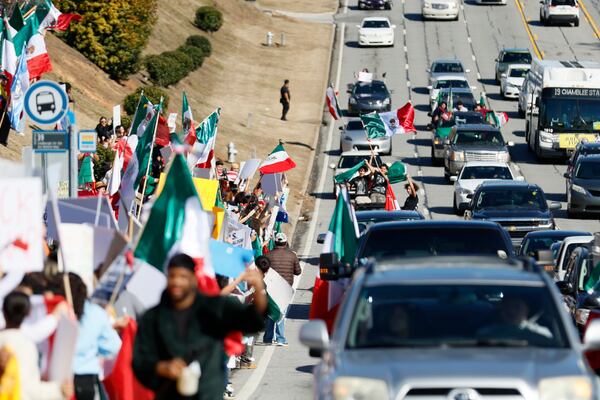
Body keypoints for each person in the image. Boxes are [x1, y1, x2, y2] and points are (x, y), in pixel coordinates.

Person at [133, 253, 266, 400]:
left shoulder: (214, 307)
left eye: (183, 277)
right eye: (172, 276)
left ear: (194, 279)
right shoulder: (152, 317)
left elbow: (252, 321)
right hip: (170, 393)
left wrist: (258, 289)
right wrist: (162, 368)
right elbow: (140, 361)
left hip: (208, 392)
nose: (177, 282)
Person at [55, 273, 121, 400]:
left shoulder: (54, 313)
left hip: (59, 379)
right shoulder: (96, 313)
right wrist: (94, 348)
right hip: (85, 380)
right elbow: (114, 346)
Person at [0, 291, 73, 400]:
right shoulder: (25, 346)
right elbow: (28, 390)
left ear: (4, 312)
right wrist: (58, 390)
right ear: (28, 313)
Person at [263, 233, 301, 346]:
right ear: (285, 242)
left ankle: (268, 338)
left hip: (271, 287)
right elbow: (298, 272)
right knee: (281, 313)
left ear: (275, 242)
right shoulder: (292, 255)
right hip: (285, 288)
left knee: (271, 312)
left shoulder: (268, 255)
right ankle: (280, 339)